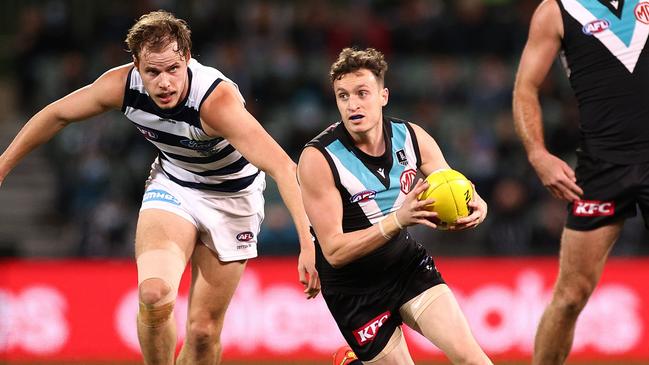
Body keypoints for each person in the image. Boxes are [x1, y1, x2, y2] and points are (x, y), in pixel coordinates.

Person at [0, 10, 320, 365]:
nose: (164, 82)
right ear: (137, 66)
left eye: (172, 69)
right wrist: (3, 165)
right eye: (152, 72)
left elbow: (283, 167)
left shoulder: (216, 103)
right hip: (175, 185)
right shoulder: (121, 86)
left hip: (234, 199)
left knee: (202, 333)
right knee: (153, 296)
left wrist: (307, 243)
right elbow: (56, 114)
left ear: (186, 58)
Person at [298, 47, 492, 365]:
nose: (353, 104)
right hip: (354, 290)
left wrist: (475, 201)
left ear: (383, 96)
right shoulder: (319, 159)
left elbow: (452, 182)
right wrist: (398, 220)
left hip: (405, 266)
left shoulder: (412, 137)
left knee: (475, 360)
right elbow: (333, 251)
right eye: (343, 96)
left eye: (362, 93)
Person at [512, 1, 649, 364]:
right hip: (601, 169)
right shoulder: (556, 10)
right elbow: (525, 87)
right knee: (571, 295)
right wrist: (538, 155)